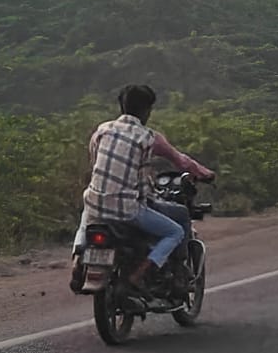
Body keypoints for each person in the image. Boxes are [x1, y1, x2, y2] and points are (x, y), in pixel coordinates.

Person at [70, 84, 213, 293]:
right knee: (175, 230)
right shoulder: (148, 137)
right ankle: (141, 273)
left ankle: (77, 260)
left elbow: (96, 164)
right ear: (147, 111)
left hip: (95, 201)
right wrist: (205, 173)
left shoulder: (102, 130)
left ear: (121, 106)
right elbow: (181, 161)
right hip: (128, 210)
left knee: (88, 215)